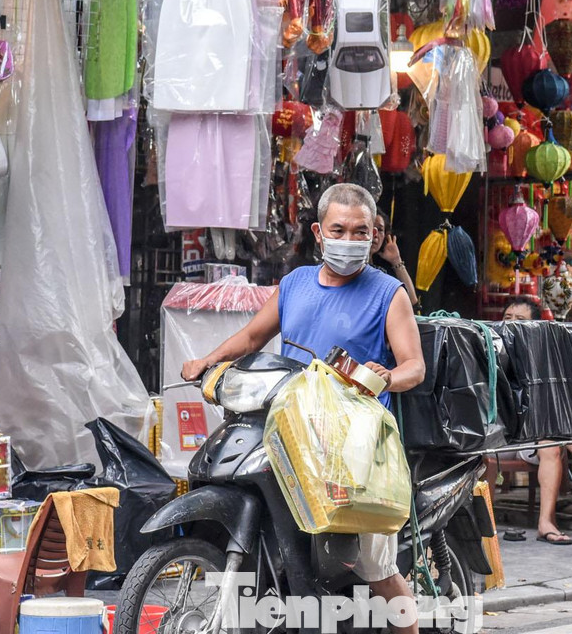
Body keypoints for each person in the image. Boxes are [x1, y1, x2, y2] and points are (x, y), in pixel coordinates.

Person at [182, 182, 425, 634]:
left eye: (360, 232)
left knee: (377, 569)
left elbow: (414, 366)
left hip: (355, 445)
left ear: (374, 236)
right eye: (339, 229)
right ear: (319, 231)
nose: (349, 240)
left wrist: (387, 376)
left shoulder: (388, 293)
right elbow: (253, 338)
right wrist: (208, 359)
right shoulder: (293, 285)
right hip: (292, 431)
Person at [501, 296, 572, 545]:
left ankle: (546, 523)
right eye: (507, 318)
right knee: (551, 438)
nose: (512, 324)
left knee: (550, 446)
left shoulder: (542, 360)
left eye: (520, 320)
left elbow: (550, 405)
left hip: (529, 439)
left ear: (535, 327)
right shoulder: (491, 350)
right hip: (498, 438)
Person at [372, 211, 420, 308]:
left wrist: (396, 260)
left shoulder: (381, 272)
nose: (375, 234)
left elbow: (411, 302)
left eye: (380, 229)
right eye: (370, 228)